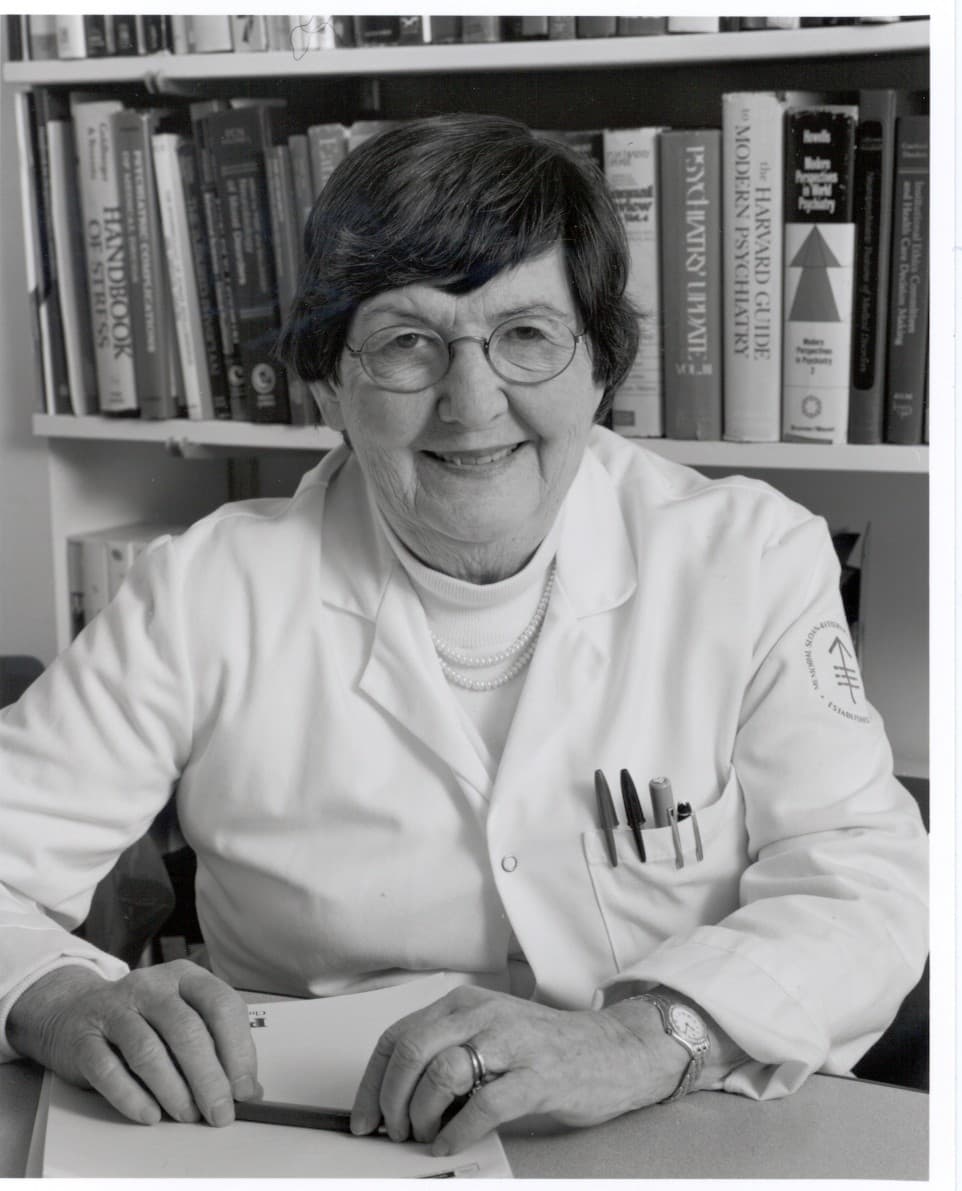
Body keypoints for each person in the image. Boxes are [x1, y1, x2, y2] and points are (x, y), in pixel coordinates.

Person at [0, 113, 927, 1158]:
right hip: (312, 1141)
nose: (473, 402)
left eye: (526, 335)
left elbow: (865, 883)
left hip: (670, 1128)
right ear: (328, 381)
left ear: (600, 367)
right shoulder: (206, 591)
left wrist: (646, 1036)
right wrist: (53, 994)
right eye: (408, 343)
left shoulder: (749, 559)